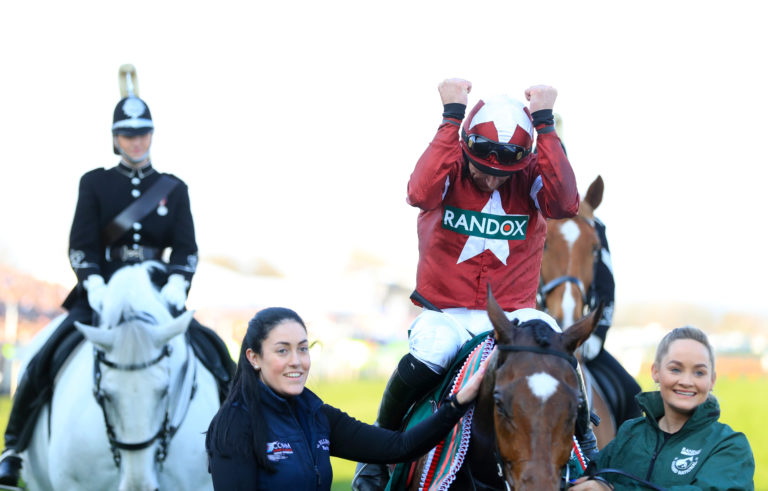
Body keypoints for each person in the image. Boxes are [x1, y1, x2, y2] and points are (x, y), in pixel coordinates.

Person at [354, 78, 595, 490]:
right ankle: (376, 455)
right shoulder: (449, 165)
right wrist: (451, 117)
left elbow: (566, 204)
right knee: (435, 349)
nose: (493, 180)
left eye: (504, 174)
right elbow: (418, 191)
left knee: (556, 342)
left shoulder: (531, 176)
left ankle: (586, 446)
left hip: (515, 313)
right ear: (465, 147)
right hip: (444, 313)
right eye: (483, 169)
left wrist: (545, 123)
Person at [0, 65, 235, 486]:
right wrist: (93, 283)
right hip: (104, 290)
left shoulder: (173, 188)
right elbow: (81, 244)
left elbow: (186, 248)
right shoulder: (95, 183)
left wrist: (178, 283)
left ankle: (248, 435)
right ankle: (13, 448)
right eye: (128, 134)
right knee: (47, 352)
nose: (136, 141)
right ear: (115, 139)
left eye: (143, 133)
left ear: (152, 135)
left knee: (215, 352)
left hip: (158, 293)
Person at [205, 307, 491, 490]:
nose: (297, 361)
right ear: (254, 358)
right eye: (282, 350)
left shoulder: (316, 414)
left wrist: (458, 402)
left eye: (303, 349)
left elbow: (399, 446)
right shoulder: (235, 424)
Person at [570, 326, 755, 490]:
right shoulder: (629, 433)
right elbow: (586, 479)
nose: (686, 381)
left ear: (712, 380)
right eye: (676, 369)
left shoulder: (730, 446)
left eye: (699, 372)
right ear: (656, 372)